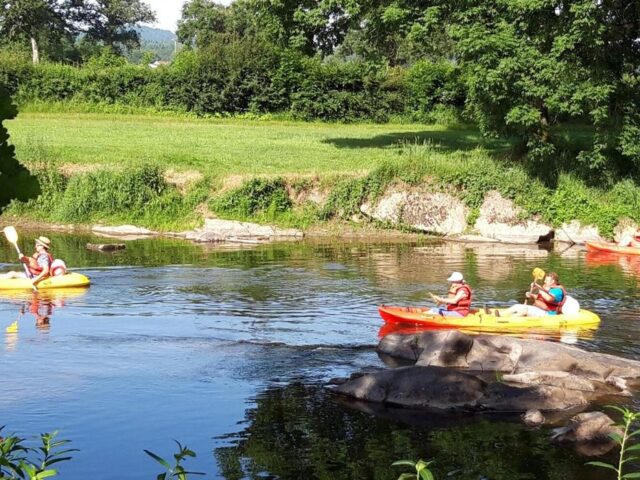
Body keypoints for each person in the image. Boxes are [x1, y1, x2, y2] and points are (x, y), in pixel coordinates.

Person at [500, 272, 565, 317]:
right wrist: (531, 295)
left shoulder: (558, 291)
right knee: (516, 306)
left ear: (553, 281)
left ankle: (508, 321)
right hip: (540, 310)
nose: (544, 281)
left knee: (524, 310)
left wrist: (539, 288)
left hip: (548, 314)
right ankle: (499, 315)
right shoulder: (550, 289)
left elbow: (549, 299)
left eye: (546, 280)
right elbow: (541, 298)